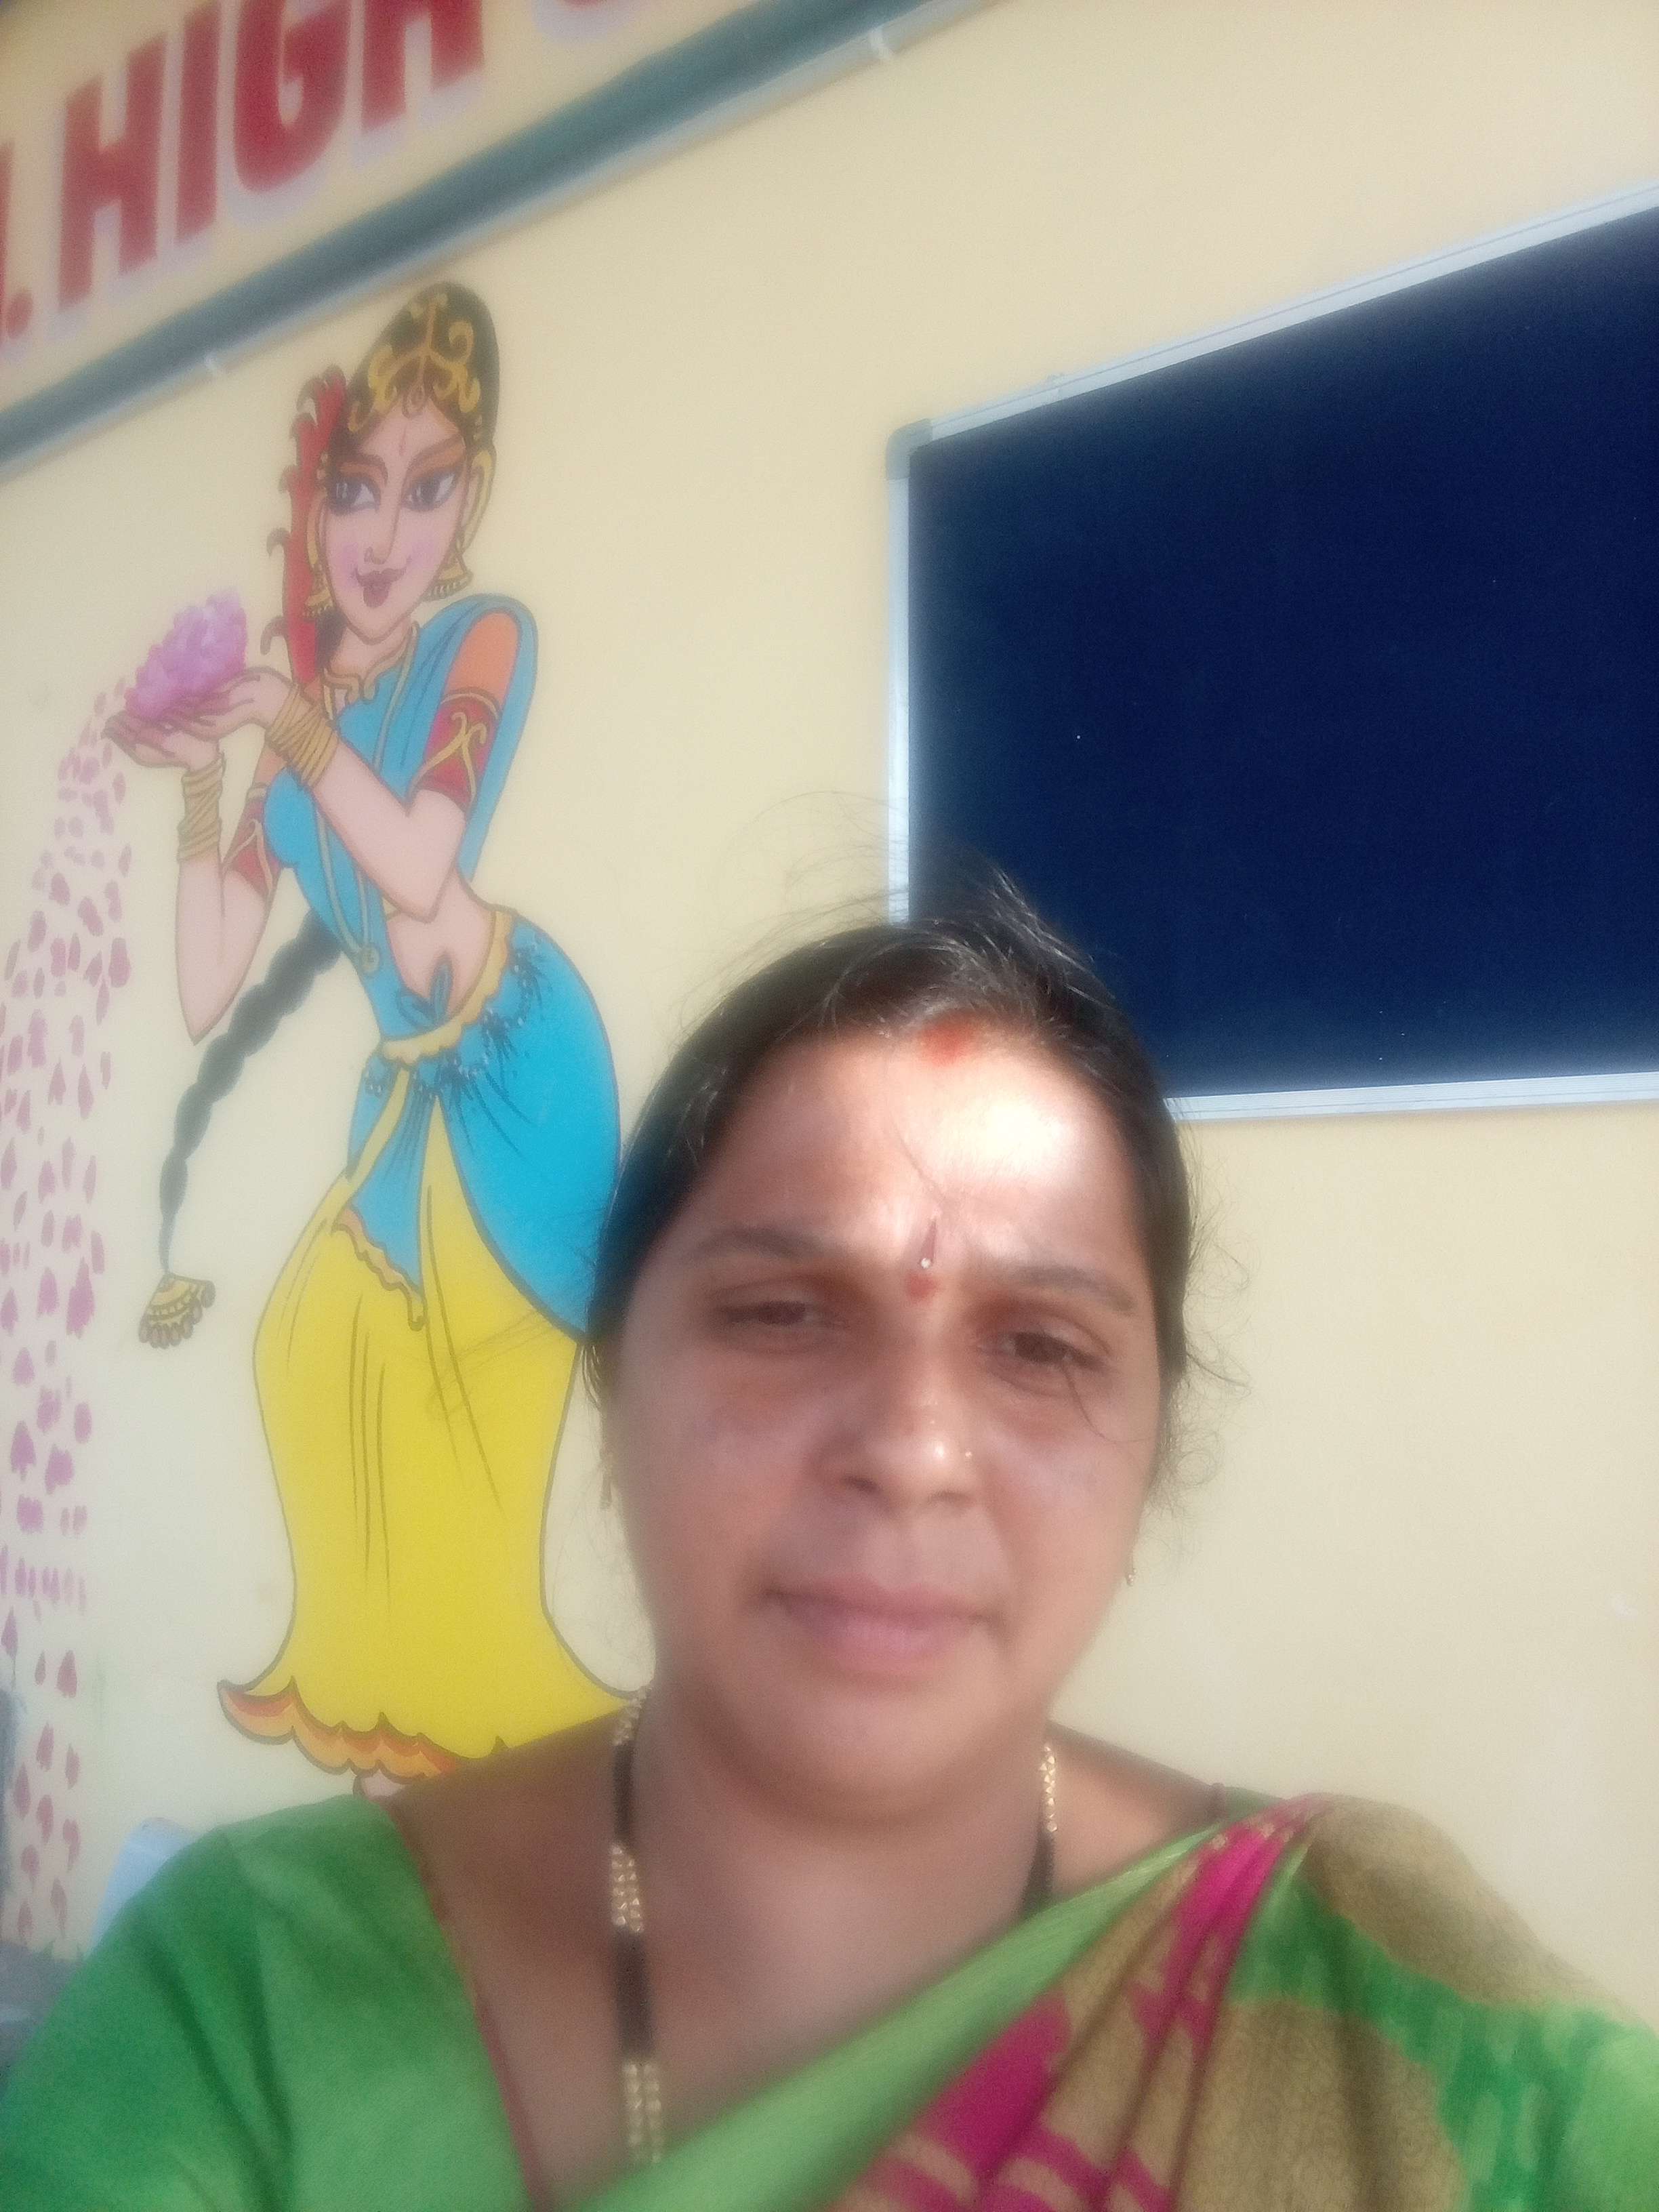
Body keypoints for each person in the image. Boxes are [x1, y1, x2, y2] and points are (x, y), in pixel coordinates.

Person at [3, 893, 1656, 2207]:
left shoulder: (1370, 1998)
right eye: (783, 1315)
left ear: (1154, 1442)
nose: (912, 1454)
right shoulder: (243, 2005)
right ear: (613, 1379)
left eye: (1041, 1348)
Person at [104, 284, 619, 1789]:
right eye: (354, 491)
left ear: (474, 501)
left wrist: (284, 719)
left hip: (516, 1061)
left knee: (458, 1412)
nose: (383, 535)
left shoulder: (484, 642)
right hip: (409, 1089)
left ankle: (485, 1781)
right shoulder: (300, 723)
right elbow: (207, 982)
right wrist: (206, 774)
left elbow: (415, 868)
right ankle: (401, 1783)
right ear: (317, 510)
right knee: (307, 1354)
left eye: (426, 487)